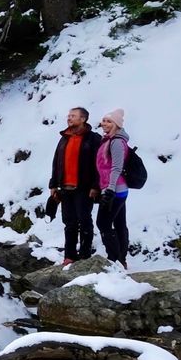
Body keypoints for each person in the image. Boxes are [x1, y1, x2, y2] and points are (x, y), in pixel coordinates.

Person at [47, 107, 99, 264]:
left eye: (73, 116)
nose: (69, 118)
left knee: (84, 221)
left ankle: (84, 254)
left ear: (83, 119)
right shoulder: (64, 138)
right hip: (65, 187)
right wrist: (53, 184)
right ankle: (69, 256)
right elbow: (56, 162)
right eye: (68, 115)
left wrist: (96, 186)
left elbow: (99, 164)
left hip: (84, 188)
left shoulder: (93, 138)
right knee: (69, 222)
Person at [95, 108, 132, 266]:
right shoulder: (109, 140)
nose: (105, 124)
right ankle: (121, 258)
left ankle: (114, 258)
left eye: (109, 121)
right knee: (119, 223)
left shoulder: (116, 142)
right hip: (116, 189)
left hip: (116, 189)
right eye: (103, 120)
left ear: (117, 124)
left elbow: (116, 167)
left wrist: (109, 189)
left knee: (103, 223)